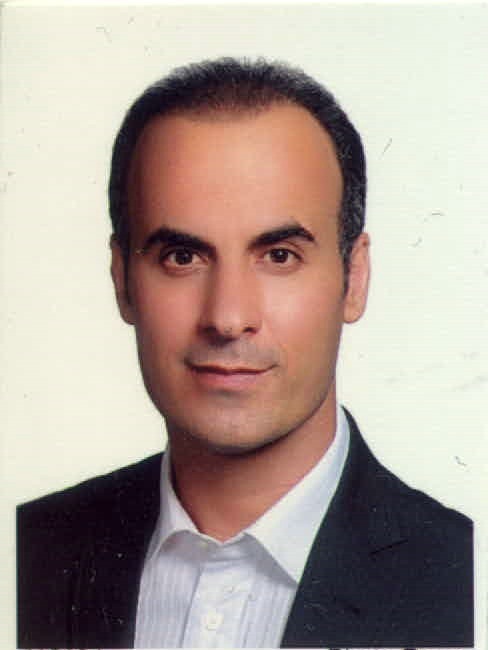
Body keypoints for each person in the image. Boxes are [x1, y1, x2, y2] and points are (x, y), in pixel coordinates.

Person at [17, 57, 473, 649]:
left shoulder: (465, 584)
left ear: (354, 279)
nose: (228, 318)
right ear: (122, 281)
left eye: (279, 256)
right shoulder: (26, 553)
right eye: (183, 257)